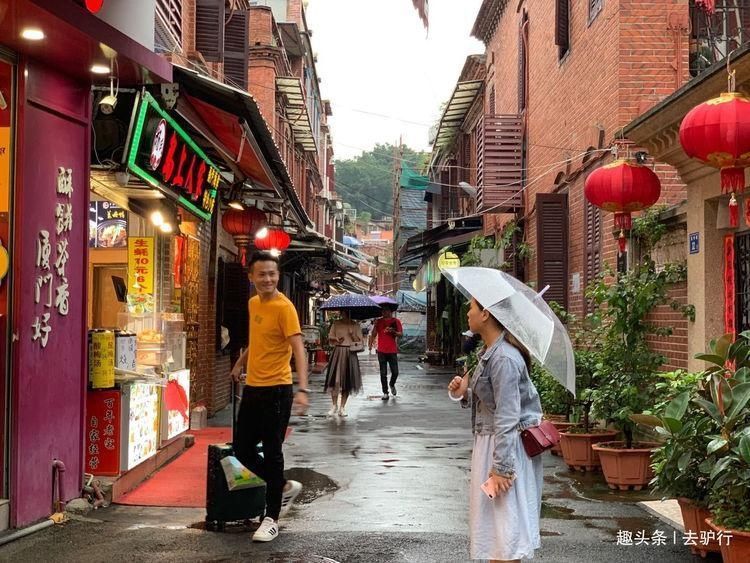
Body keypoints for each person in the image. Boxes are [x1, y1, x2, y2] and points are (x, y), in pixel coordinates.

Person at [448, 298, 543, 562]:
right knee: (497, 531)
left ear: (486, 314)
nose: (468, 312)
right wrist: (464, 392)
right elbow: (493, 403)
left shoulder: (504, 358)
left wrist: (501, 468)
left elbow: (508, 416)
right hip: (493, 444)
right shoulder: (490, 352)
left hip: (503, 449)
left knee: (505, 531)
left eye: (471, 307)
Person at [230, 251, 310, 543]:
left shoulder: (284, 307)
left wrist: (302, 389)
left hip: (278, 389)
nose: (268, 279)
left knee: (273, 452)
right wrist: (240, 364)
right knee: (242, 449)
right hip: (254, 386)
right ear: (251, 277)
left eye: (272, 274)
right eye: (262, 274)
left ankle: (271, 518)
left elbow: (298, 348)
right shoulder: (254, 304)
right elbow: (258, 339)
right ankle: (284, 485)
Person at [323, 311, 364, 417]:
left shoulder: (355, 325)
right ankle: (334, 405)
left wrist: (352, 334)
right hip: (337, 352)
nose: (343, 314)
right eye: (342, 312)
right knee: (335, 381)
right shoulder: (336, 323)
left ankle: (342, 407)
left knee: (347, 382)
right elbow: (330, 337)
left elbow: (360, 341)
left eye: (345, 312)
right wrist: (336, 339)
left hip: (350, 353)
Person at [368, 307, 403, 400]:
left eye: (386, 310)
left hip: (392, 350)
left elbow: (401, 334)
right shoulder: (379, 322)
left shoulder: (396, 321)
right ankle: (385, 392)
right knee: (383, 373)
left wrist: (394, 332)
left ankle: (392, 384)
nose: (384, 312)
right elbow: (374, 334)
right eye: (382, 311)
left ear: (390, 311)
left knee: (395, 372)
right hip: (381, 351)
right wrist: (375, 325)